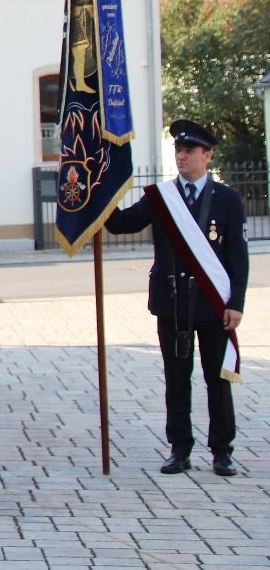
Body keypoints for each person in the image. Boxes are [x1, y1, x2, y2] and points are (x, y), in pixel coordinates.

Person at [105, 119, 248, 477]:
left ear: (207, 155)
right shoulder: (160, 198)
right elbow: (123, 224)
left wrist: (236, 304)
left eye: (189, 151)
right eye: (178, 151)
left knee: (218, 378)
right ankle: (179, 449)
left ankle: (222, 451)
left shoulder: (228, 200)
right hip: (172, 302)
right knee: (176, 378)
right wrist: (100, 195)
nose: (182, 156)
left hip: (213, 304)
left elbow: (237, 257)